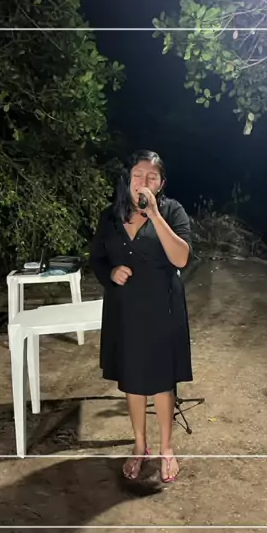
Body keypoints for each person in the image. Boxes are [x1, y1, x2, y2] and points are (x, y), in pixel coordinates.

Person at [90, 150, 193, 482]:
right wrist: (110, 273)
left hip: (163, 307)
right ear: (128, 178)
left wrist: (155, 216)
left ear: (161, 183)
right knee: (133, 379)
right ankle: (139, 446)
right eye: (138, 174)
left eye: (152, 176)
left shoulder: (172, 211)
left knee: (162, 381)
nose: (143, 181)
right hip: (125, 309)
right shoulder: (110, 216)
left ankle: (167, 449)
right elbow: (97, 259)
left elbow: (181, 258)